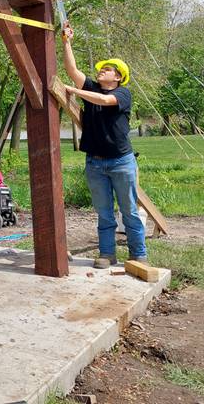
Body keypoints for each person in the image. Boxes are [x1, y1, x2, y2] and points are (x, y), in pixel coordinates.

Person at [62, 24, 147, 269]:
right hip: (95, 163)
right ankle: (107, 254)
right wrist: (67, 42)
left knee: (129, 210)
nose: (101, 72)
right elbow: (72, 69)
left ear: (118, 77)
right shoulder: (90, 88)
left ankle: (138, 255)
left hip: (121, 161)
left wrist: (74, 91)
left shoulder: (123, 94)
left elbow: (104, 100)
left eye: (107, 70)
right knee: (104, 213)